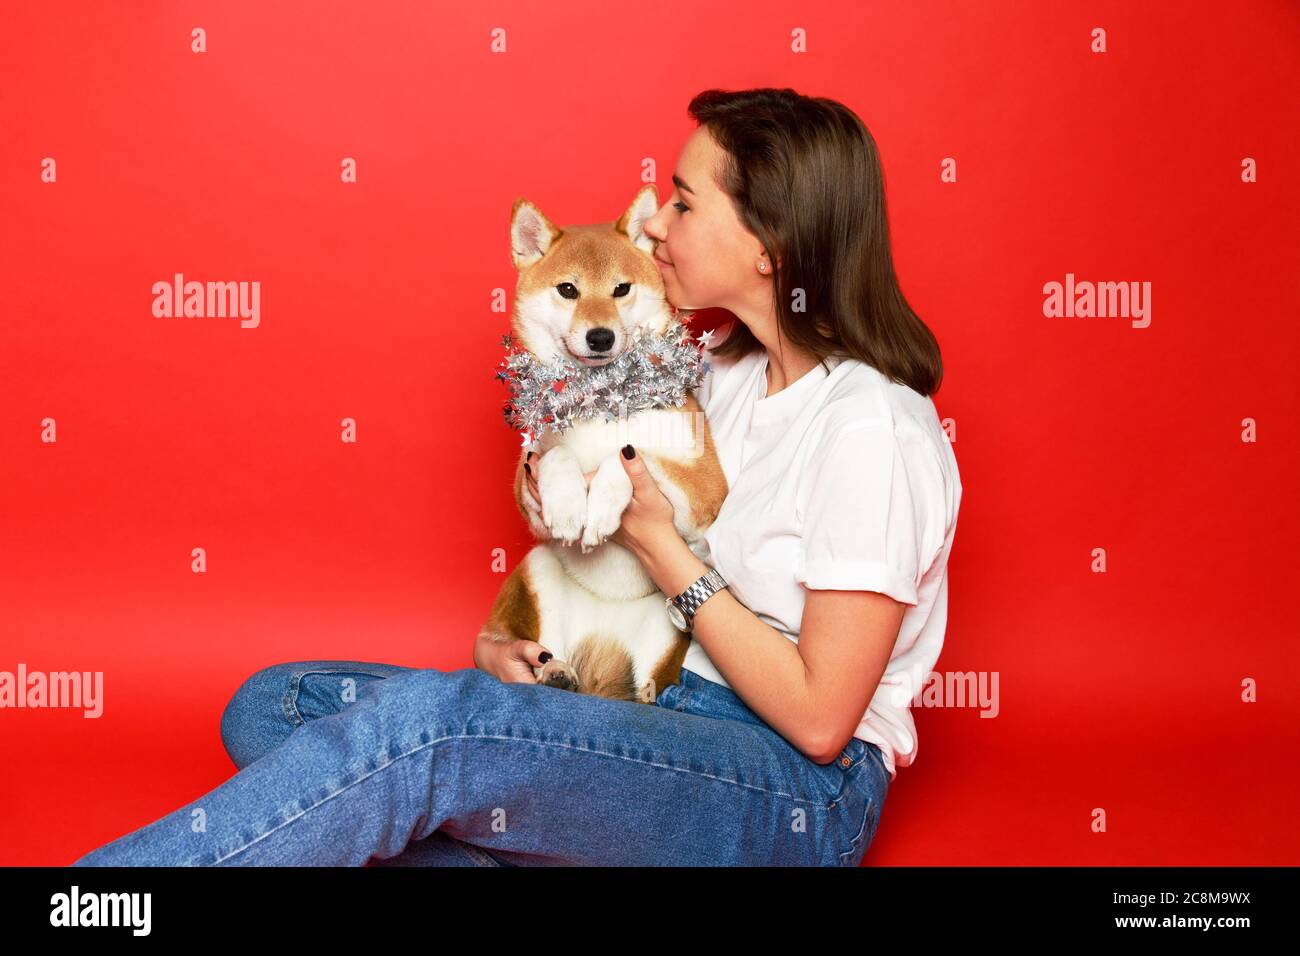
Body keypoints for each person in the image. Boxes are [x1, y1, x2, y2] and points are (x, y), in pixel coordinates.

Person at [71, 87, 961, 867]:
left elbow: (817, 720)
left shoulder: (870, 428)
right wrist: (509, 660)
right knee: (278, 706)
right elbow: (575, 460)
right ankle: (561, 824)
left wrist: (657, 544)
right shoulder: (716, 376)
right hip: (649, 704)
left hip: (791, 793)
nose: (653, 224)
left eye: (683, 206)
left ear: (769, 243)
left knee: (426, 737)